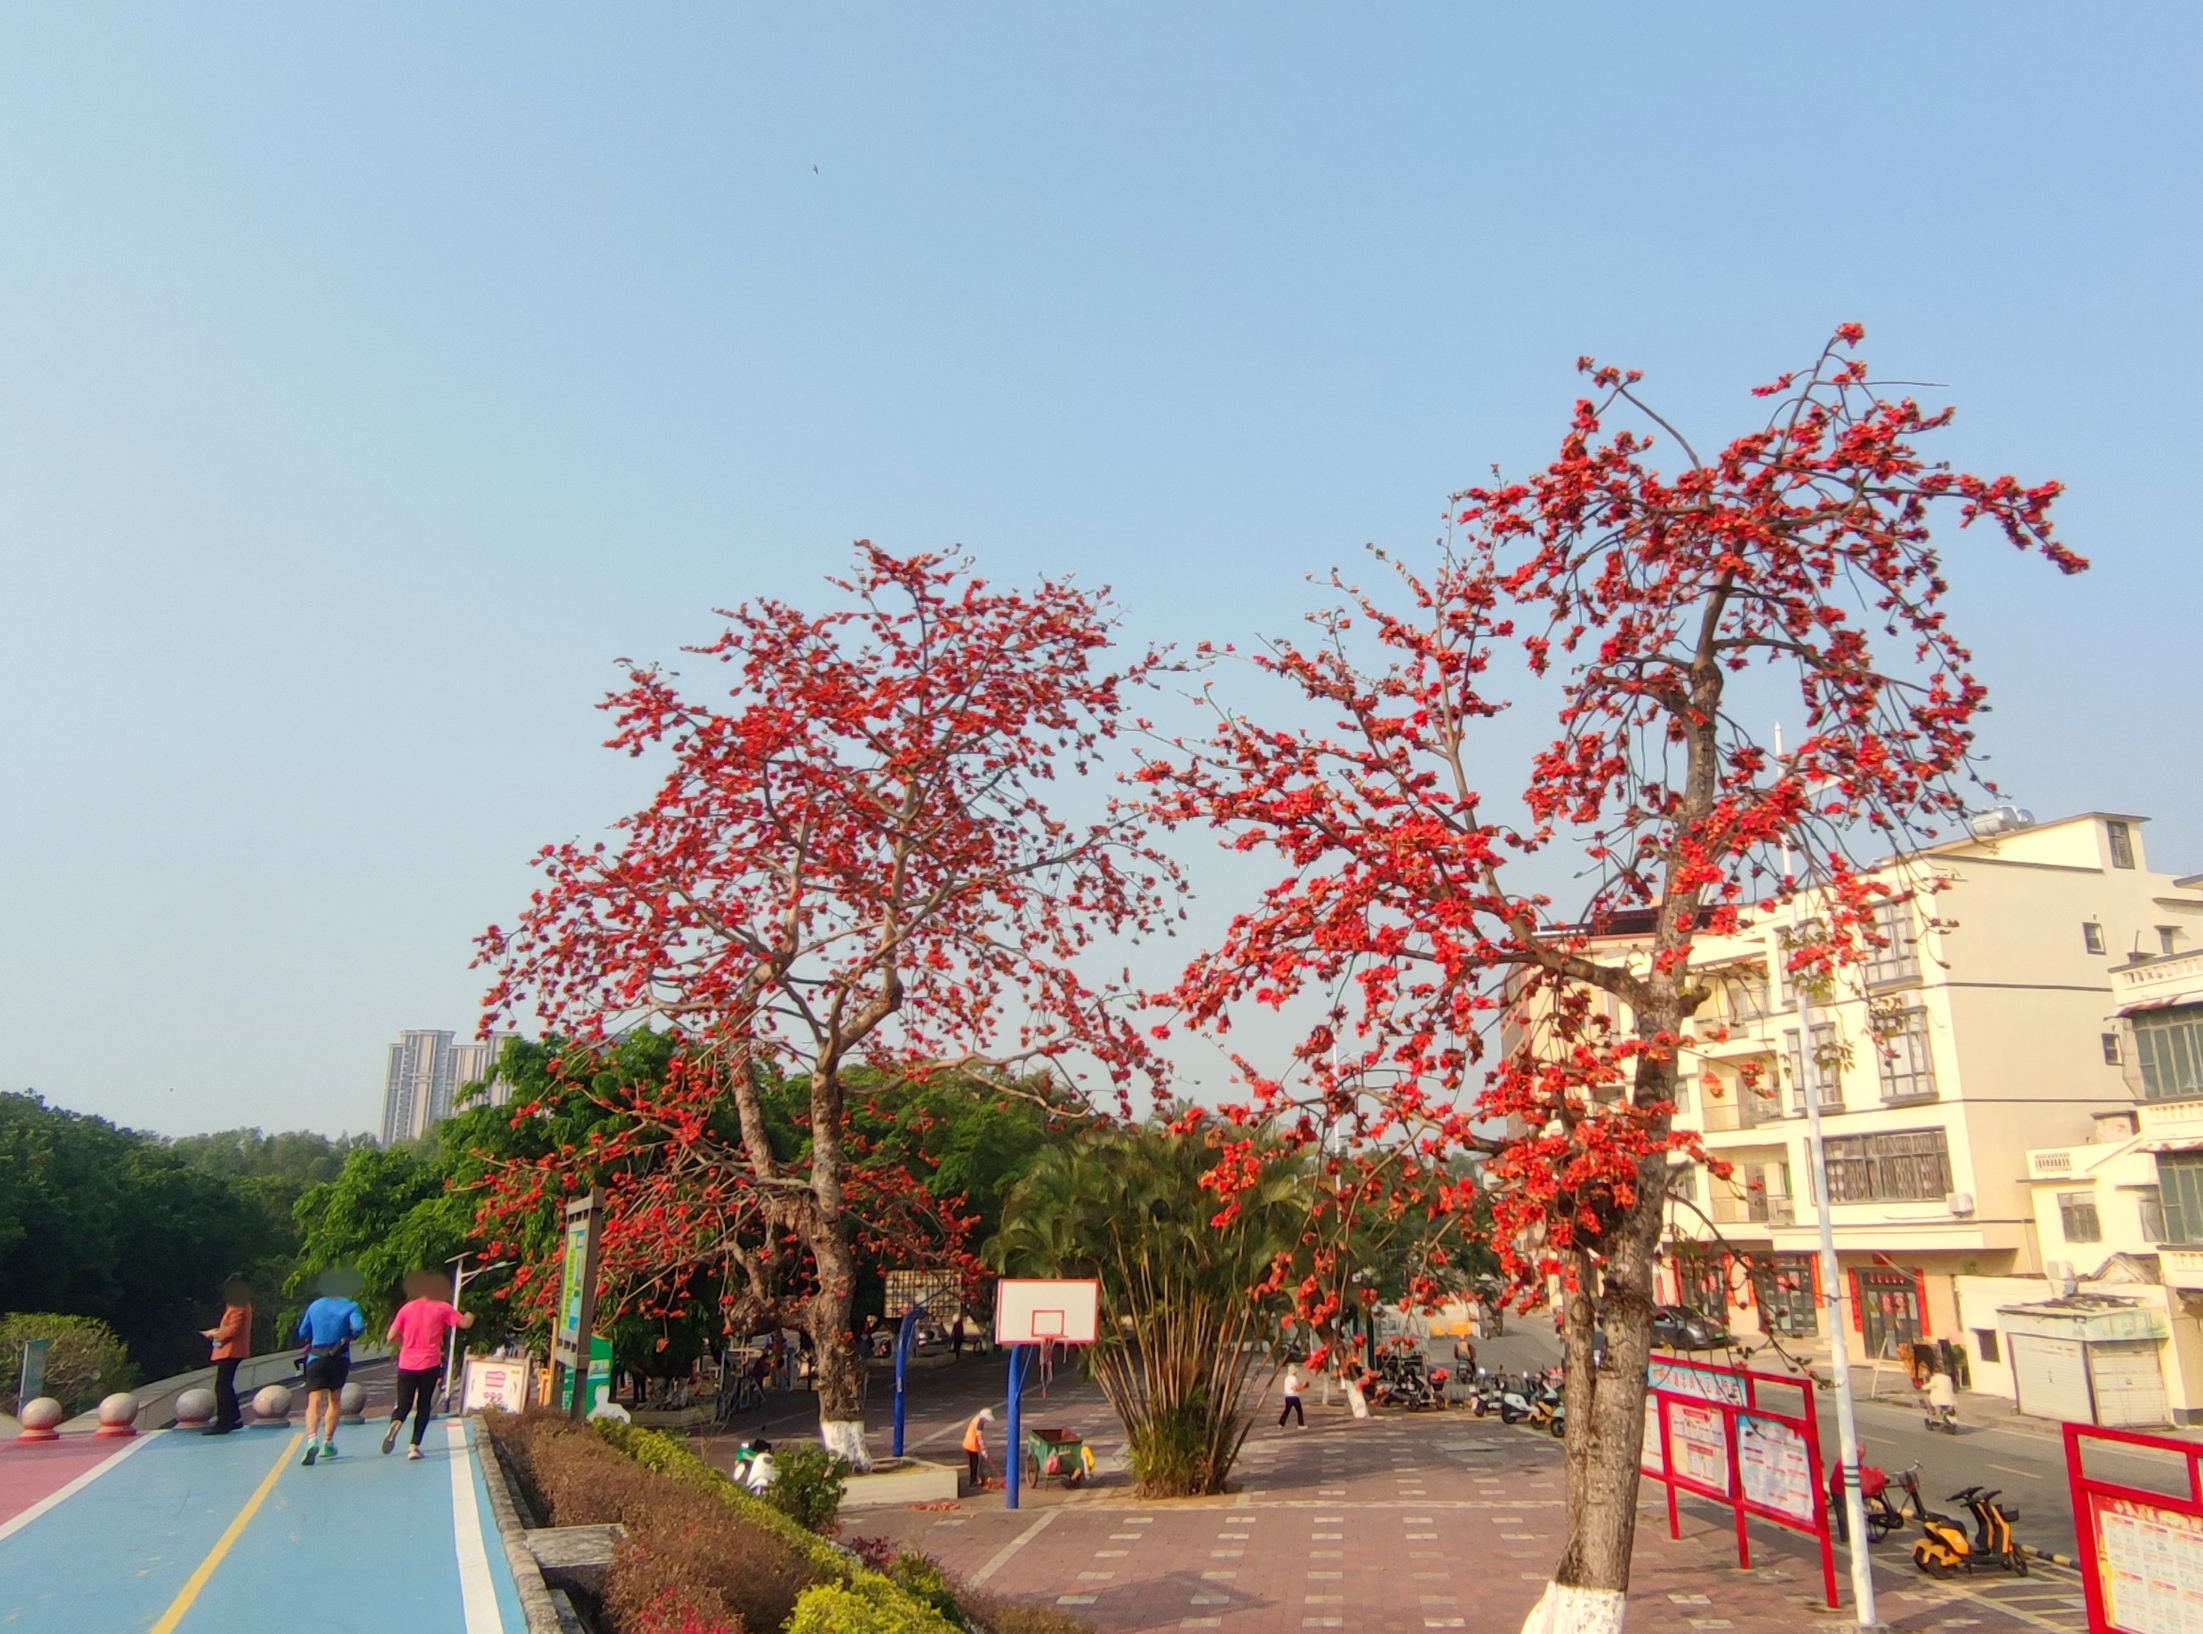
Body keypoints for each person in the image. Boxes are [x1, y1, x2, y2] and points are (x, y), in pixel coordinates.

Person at [383, 1269, 475, 1460]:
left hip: (407, 1363)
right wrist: (471, 1314)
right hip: (429, 1362)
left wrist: (405, 1341)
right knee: (424, 1405)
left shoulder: (406, 1309)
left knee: (404, 1403)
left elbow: (390, 1336)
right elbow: (464, 1324)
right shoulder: (442, 1308)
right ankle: (414, 1446)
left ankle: (397, 1421)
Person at [296, 1268, 365, 1466]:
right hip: (339, 1358)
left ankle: (311, 1439)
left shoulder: (314, 1306)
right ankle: (328, 1442)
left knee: (314, 1401)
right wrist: (349, 1336)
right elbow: (359, 1327)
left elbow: (302, 1332)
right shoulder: (350, 1306)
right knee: (334, 1400)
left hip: (316, 1358)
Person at [200, 1274, 253, 1435]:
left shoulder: (239, 1304)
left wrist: (214, 1334)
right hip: (231, 1349)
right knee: (225, 1384)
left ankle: (225, 1420)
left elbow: (233, 1329)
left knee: (222, 1385)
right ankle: (233, 1417)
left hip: (231, 1350)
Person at [962, 1406, 996, 1490]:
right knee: (975, 1464)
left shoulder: (976, 1419)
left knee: (973, 1463)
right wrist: (983, 1449)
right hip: (971, 1445)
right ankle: (973, 1482)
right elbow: (979, 1437)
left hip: (968, 1443)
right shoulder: (980, 1422)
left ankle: (974, 1480)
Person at [1925, 1364, 1958, 1431]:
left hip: (1939, 1401)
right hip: (1951, 1401)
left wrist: (1922, 1386)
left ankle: (1933, 1413)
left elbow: (1926, 1387)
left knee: (1927, 1399)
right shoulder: (1948, 1378)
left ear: (1934, 1372)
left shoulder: (1934, 1378)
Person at [1278, 1363, 1306, 1427]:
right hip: (1294, 1396)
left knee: (1287, 1410)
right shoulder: (1293, 1378)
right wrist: (1303, 1386)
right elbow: (1296, 1387)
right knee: (1299, 1410)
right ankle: (1301, 1424)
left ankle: (1281, 1423)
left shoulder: (1286, 1378)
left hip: (1287, 1396)